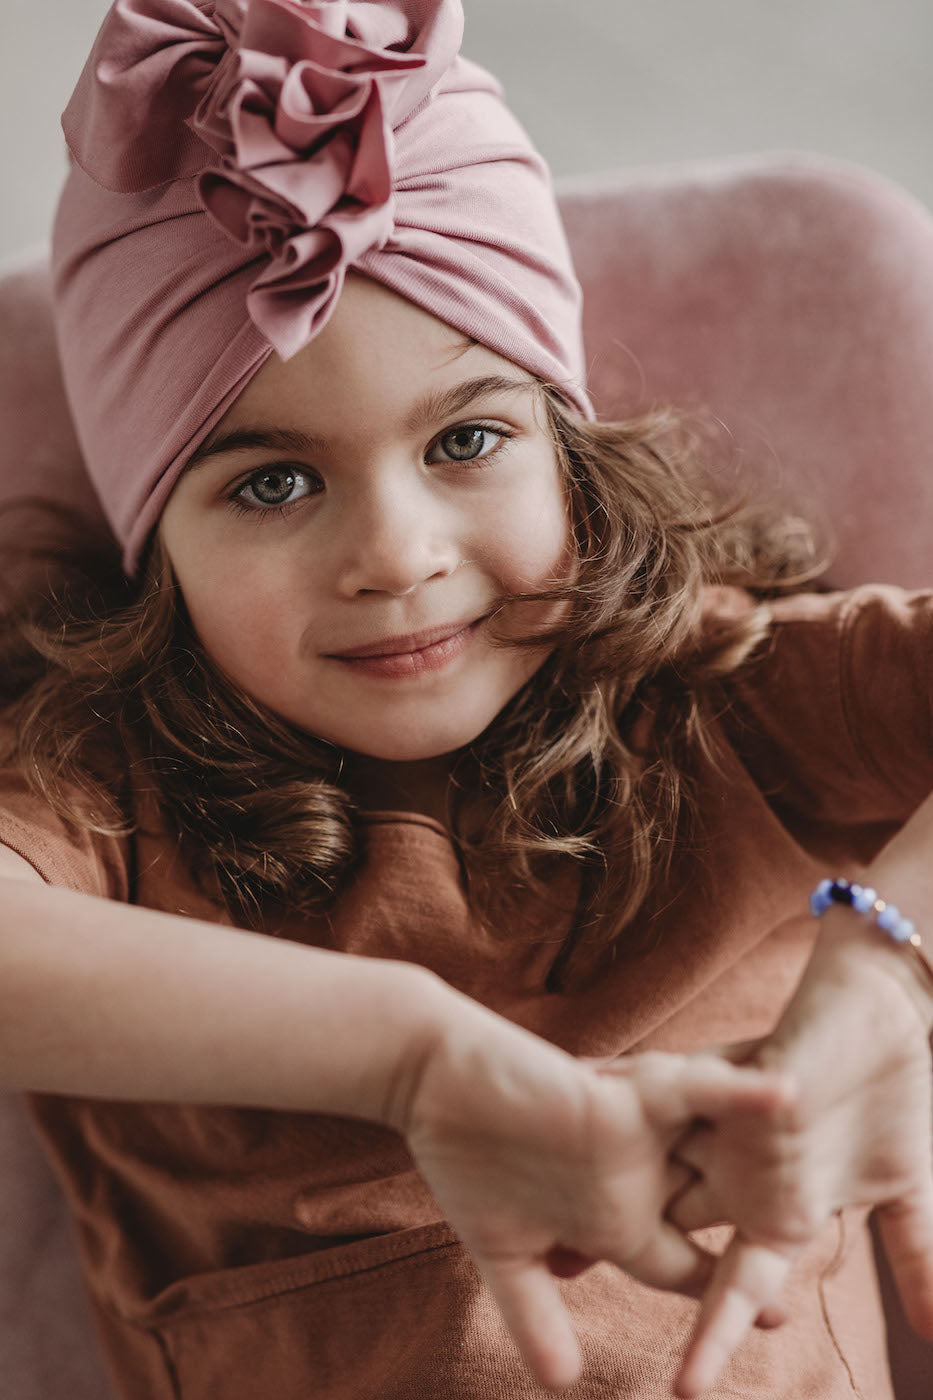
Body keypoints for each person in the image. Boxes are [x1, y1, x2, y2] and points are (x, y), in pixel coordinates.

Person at [0, 1, 931, 1397]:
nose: (395, 554)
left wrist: (885, 964)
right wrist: (415, 1066)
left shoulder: (736, 700)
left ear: (566, 452)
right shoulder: (106, 798)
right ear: (157, 552)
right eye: (269, 483)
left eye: (468, 439)